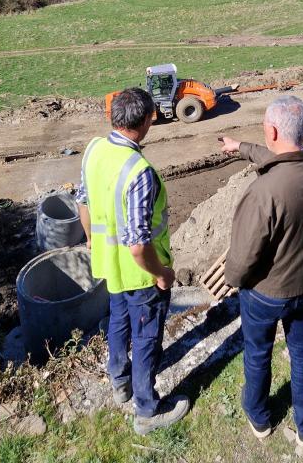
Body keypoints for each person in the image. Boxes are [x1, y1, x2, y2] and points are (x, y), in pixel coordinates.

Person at [219, 95, 303, 449]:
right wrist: (243, 148)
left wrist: (234, 282)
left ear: (271, 129)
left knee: (257, 353)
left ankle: (259, 417)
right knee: (302, 352)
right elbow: (285, 160)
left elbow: (241, 261)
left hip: (265, 294)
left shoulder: (264, 191)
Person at [76, 88, 189, 435]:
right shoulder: (139, 171)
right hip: (140, 276)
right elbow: (138, 244)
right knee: (145, 339)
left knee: (118, 323)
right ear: (144, 121)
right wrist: (162, 274)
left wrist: (93, 239)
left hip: (110, 267)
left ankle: (119, 381)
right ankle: (146, 410)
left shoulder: (94, 148)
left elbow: (83, 200)